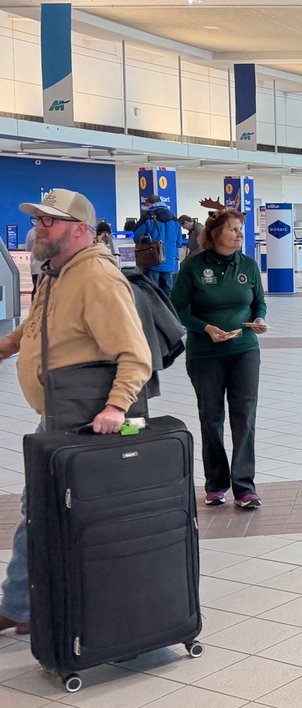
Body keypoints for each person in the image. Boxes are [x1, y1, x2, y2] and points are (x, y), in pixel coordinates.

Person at [0, 188, 152, 634]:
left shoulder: (96, 278)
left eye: (50, 221)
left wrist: (115, 406)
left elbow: (134, 352)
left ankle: (24, 605)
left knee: (46, 509)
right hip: (58, 412)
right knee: (43, 508)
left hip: (84, 417)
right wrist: (10, 345)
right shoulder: (57, 273)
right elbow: (40, 324)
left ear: (80, 230)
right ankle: (28, 603)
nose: (38, 228)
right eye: (38, 220)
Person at [171, 209, 268, 510]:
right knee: (211, 419)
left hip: (244, 351)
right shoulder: (193, 267)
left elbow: (259, 303)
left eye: (241, 229)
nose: (240, 234)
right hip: (205, 354)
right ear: (215, 234)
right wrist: (205, 328)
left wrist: (260, 319)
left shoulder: (248, 266)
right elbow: (177, 308)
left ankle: (244, 487)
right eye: (234, 229)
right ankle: (215, 484)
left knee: (244, 418)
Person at [133, 196, 186, 294]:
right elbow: (179, 242)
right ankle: (167, 308)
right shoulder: (175, 220)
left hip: (152, 260)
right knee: (167, 290)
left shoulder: (147, 217)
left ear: (149, 204)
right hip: (169, 260)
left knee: (151, 290)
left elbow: (137, 237)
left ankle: (154, 309)